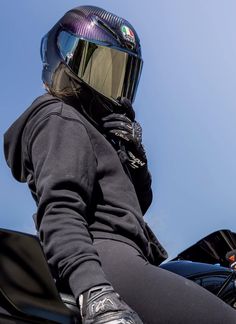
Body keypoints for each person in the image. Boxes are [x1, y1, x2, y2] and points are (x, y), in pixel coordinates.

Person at [4, 5, 236, 324]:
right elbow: (59, 208)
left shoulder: (92, 129)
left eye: (119, 74)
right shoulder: (60, 116)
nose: (111, 85)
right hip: (105, 260)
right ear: (67, 60)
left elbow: (135, 207)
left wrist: (135, 159)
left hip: (129, 257)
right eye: (100, 69)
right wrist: (95, 291)